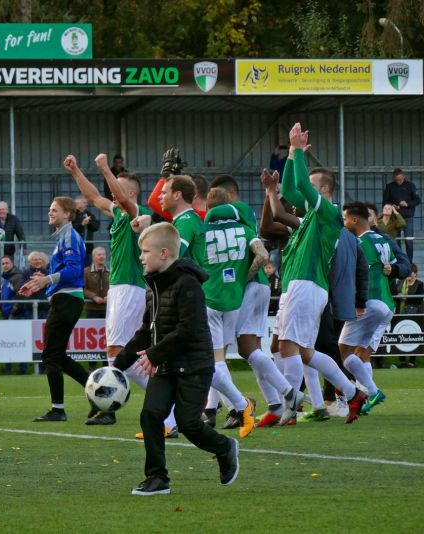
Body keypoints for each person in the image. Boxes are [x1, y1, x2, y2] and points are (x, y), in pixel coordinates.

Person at [114, 223, 239, 495]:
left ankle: (224, 447)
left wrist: (154, 354)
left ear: (163, 253)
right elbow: (146, 332)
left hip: (195, 366)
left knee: (188, 424)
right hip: (167, 366)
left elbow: (189, 328)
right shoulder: (153, 288)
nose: (141, 257)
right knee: (150, 415)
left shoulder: (188, 283)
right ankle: (157, 478)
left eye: (145, 251)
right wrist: (117, 366)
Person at [275, 122, 366, 424]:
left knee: (291, 346)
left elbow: (299, 184)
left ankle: (291, 407)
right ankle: (350, 394)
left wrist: (298, 152)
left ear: (324, 190)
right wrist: (291, 154)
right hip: (306, 286)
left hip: (307, 284)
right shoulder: (313, 215)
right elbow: (290, 188)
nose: (305, 192)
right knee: (301, 350)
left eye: (313, 187)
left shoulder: (328, 212)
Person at [65, 153, 152, 426]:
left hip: (129, 288)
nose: (113, 192)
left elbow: (119, 198)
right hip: (122, 289)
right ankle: (166, 399)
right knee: (123, 351)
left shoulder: (137, 213)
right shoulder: (118, 213)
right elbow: (94, 198)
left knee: (116, 350)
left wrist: (105, 169)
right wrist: (76, 172)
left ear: (132, 193)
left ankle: (110, 408)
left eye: (118, 185)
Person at [205, 175, 298, 430]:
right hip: (258, 285)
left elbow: (256, 250)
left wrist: (238, 280)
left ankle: (286, 393)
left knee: (234, 349)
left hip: (248, 283)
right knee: (245, 348)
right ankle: (275, 404)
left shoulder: (236, 211)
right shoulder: (244, 215)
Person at [21, 197, 88, 422]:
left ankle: (58, 409)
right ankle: (99, 391)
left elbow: (73, 269)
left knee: (50, 354)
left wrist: (47, 279)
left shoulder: (69, 237)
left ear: (67, 214)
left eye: (54, 210)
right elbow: (67, 271)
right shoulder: (64, 238)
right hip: (66, 299)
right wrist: (41, 280)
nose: (50, 213)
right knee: (58, 355)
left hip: (67, 300)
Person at [339, 202, 396, 415]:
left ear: (354, 220)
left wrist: (358, 303)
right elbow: (389, 266)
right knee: (361, 352)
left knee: (343, 352)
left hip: (370, 303)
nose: (344, 223)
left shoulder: (359, 243)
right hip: (387, 304)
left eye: (345, 219)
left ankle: (371, 391)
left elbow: (360, 273)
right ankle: (369, 393)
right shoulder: (383, 239)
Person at [382, 168, 420, 259]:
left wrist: (407, 204)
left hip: (408, 217)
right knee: (395, 240)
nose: (399, 181)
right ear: (394, 178)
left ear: (404, 177)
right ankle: (399, 260)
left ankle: (409, 262)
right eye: (397, 180)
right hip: (394, 217)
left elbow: (417, 200)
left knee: (409, 240)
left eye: (400, 179)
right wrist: (392, 206)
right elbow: (385, 202)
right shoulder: (390, 187)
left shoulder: (410, 186)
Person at [392, 263, 423, 367]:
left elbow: (419, 299)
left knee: (413, 336)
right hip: (400, 313)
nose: (409, 277)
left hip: (414, 314)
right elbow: (395, 293)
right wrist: (398, 296)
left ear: (415, 274)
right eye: (408, 274)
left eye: (411, 274)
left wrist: (406, 297)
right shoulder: (400, 282)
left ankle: (411, 361)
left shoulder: (420, 284)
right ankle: (401, 360)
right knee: (399, 335)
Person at [17, 251, 51, 319]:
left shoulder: (48, 272)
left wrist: (43, 281)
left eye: (40, 259)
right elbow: (19, 286)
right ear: (30, 262)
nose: (38, 261)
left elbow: (54, 286)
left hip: (46, 309)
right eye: (35, 259)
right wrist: (33, 280)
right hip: (30, 310)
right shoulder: (25, 273)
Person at [72, 196, 100, 266]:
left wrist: (89, 222)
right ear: (77, 204)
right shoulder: (71, 215)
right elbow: (70, 229)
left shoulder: (89, 214)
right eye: (84, 202)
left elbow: (95, 227)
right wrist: (82, 224)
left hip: (88, 247)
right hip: (74, 247)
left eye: (86, 203)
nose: (86, 204)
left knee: (87, 268)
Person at [83, 247, 109, 319]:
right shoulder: (86, 272)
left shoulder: (111, 272)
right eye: (99, 255)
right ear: (93, 257)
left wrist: (109, 296)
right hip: (92, 309)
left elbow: (114, 288)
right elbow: (83, 289)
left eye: (103, 254)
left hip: (108, 308)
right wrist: (94, 297)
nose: (102, 257)